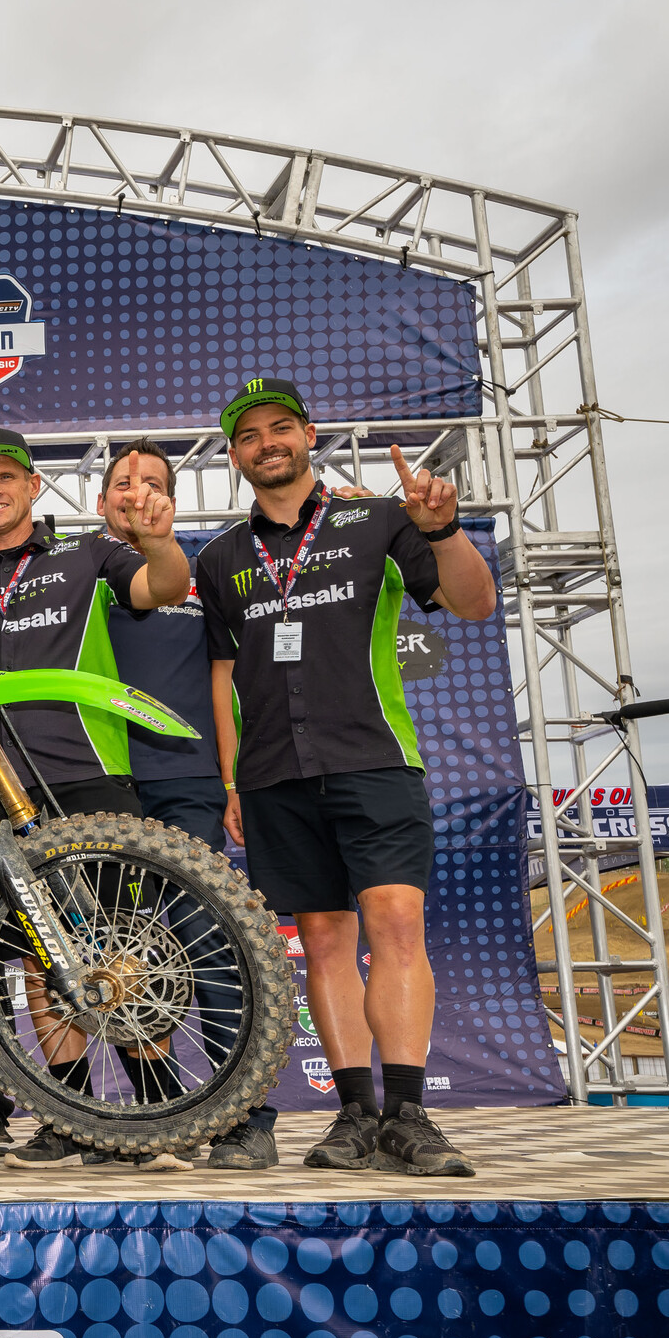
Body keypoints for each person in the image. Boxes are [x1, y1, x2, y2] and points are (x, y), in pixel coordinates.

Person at [199, 378, 497, 1177]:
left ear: (309, 435)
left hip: (373, 758)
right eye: (251, 434)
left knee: (397, 924)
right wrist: (230, 783)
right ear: (235, 455)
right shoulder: (221, 556)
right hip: (271, 776)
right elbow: (224, 676)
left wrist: (445, 530)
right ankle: (356, 1112)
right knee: (324, 942)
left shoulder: (378, 520)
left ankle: (409, 1113)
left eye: (282, 427)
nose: (268, 442)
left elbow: (474, 602)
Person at [0, 424, 194, 1170]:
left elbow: (162, 587)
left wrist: (160, 540)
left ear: (33, 486)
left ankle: (157, 1113)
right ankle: (71, 1118)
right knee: (42, 958)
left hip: (89, 780)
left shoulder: (87, 553)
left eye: (7, 477)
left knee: (121, 949)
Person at [97, 440, 276, 1171]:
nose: (135, 493)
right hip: (102, 786)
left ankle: (246, 1116)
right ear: (99, 499)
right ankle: (159, 1106)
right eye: (120, 483)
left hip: (186, 779)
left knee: (209, 941)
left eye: (151, 483)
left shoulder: (200, 571)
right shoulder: (79, 573)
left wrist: (231, 782)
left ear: (172, 498)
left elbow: (224, 682)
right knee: (116, 955)